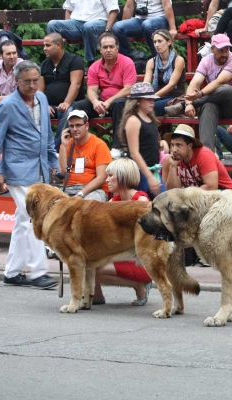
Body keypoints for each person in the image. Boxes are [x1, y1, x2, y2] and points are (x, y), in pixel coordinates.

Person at [0, 60, 59, 289]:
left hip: (38, 169)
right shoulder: (6, 105)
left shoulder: (43, 99)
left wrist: (54, 162)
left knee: (21, 221)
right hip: (17, 170)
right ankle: (39, 272)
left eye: (35, 80)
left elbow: (46, 134)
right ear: (16, 81)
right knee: (33, 219)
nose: (32, 85)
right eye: (27, 81)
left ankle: (12, 272)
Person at [164, 34, 232, 153]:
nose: (224, 53)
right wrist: (188, 104)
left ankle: (182, 106)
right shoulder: (206, 60)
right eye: (220, 50)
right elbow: (194, 83)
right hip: (216, 103)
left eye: (226, 49)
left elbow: (220, 81)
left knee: (226, 88)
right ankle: (207, 153)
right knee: (208, 106)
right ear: (212, 48)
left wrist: (199, 95)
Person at [93, 158, 152, 306]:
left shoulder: (141, 201)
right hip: (123, 254)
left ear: (123, 176)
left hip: (141, 259)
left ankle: (139, 285)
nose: (106, 179)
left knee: (95, 270)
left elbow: (147, 239)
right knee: (89, 263)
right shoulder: (115, 200)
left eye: (110, 175)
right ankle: (95, 296)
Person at [70, 33, 136, 159]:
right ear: (100, 50)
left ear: (117, 48)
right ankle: (77, 143)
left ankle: (118, 147)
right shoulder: (95, 66)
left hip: (122, 103)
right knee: (78, 106)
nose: (108, 50)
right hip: (103, 102)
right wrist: (95, 102)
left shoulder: (127, 63)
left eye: (111, 47)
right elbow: (91, 90)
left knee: (118, 103)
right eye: (105, 47)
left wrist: (109, 101)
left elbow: (128, 89)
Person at [38, 32, 85, 151]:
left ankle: (56, 150)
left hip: (71, 104)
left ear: (58, 45)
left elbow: (76, 84)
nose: (44, 49)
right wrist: (44, 104)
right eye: (44, 46)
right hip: (50, 106)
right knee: (35, 111)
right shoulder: (44, 64)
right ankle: (38, 149)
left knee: (68, 113)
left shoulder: (74, 60)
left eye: (47, 45)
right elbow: (39, 89)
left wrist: (67, 102)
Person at [120, 82, 165, 199]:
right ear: (138, 101)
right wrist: (149, 177)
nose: (152, 102)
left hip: (152, 169)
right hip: (140, 172)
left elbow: (147, 141)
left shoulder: (149, 118)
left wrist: (161, 143)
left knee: (162, 202)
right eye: (148, 99)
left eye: (153, 99)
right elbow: (134, 153)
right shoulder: (133, 120)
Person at [162, 124, 232, 191]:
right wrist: (173, 166)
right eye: (172, 145)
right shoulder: (174, 159)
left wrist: (185, 197)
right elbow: (173, 192)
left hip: (225, 194)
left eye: (178, 145)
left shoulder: (204, 155)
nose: (174, 150)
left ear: (190, 146)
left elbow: (211, 187)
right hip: (200, 199)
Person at [58, 110, 112, 201]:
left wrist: (81, 194)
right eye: (71, 126)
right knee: (50, 202)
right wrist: (63, 146)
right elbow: (63, 172)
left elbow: (101, 178)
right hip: (68, 188)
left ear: (86, 126)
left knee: (86, 205)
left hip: (93, 190)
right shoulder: (67, 144)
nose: (74, 129)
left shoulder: (99, 145)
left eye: (78, 125)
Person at [47, 0, 119, 67]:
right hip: (76, 23)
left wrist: (107, 31)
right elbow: (68, 9)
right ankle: (56, 62)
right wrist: (67, 31)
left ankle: (90, 62)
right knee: (52, 25)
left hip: (98, 22)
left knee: (88, 27)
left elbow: (113, 10)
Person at [142, 29, 186, 116]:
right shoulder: (151, 62)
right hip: (158, 97)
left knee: (150, 108)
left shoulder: (178, 60)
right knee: (139, 107)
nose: (157, 45)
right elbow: (146, 83)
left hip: (174, 97)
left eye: (159, 41)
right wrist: (144, 96)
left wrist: (152, 97)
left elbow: (171, 85)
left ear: (169, 42)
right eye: (155, 42)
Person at [113, 0, 177, 58]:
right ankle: (128, 60)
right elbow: (129, 7)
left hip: (160, 20)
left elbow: (167, 5)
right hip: (140, 21)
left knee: (147, 25)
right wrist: (125, 26)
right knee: (117, 27)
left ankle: (160, 58)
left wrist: (172, 28)